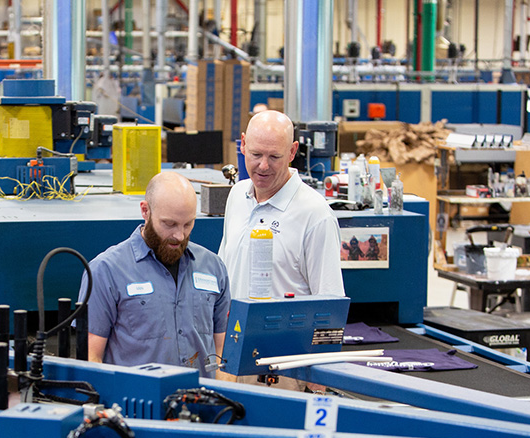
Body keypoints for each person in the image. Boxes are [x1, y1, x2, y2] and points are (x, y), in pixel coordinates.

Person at [77, 171, 230, 378]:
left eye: (188, 224)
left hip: (201, 404)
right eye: (169, 224)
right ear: (145, 211)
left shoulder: (213, 267)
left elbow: (223, 352)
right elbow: (90, 358)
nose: (179, 235)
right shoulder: (106, 271)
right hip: (134, 406)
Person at [218, 110, 344, 299]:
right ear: (243, 144)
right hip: (234, 328)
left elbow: (329, 303)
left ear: (292, 151)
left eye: (274, 157)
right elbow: (224, 274)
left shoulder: (316, 215)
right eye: (256, 154)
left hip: (283, 329)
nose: (263, 166)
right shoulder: (238, 195)